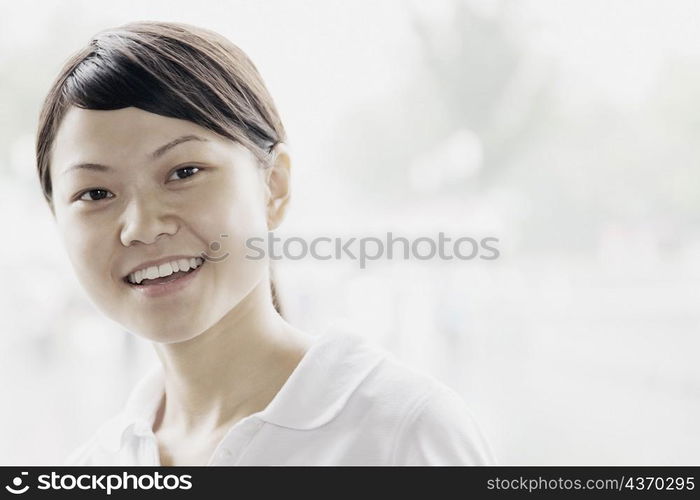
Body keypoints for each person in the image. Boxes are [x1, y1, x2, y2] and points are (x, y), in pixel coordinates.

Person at [36, 20, 496, 466]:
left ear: (273, 186)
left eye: (183, 172)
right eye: (95, 194)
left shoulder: (401, 434)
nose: (142, 226)